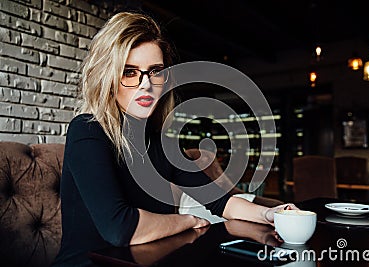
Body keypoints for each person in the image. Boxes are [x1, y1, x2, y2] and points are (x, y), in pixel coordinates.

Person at [52, 11, 297, 266]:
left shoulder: (159, 142)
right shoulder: (87, 130)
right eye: (130, 72)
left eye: (155, 71)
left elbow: (220, 201)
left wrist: (271, 214)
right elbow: (120, 228)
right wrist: (187, 222)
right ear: (109, 77)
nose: (145, 85)